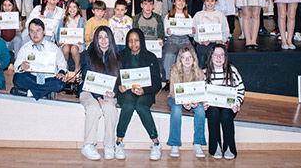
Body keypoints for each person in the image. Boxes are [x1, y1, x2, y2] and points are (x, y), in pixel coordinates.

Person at [115, 28, 162, 161]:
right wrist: (119, 86)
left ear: (141, 41)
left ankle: (156, 142)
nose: (133, 44)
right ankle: (118, 142)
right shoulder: (121, 55)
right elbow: (115, 76)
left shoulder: (150, 56)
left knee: (141, 107)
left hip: (145, 92)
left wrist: (145, 90)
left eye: (136, 40)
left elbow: (157, 82)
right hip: (126, 92)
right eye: (130, 41)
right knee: (129, 105)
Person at [79, 26, 122, 161]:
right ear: (96, 39)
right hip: (89, 91)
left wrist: (114, 93)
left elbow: (119, 79)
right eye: (100, 37)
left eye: (106, 37)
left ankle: (109, 145)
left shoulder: (117, 56)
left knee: (110, 109)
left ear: (111, 39)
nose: (103, 40)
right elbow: (87, 77)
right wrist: (98, 98)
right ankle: (88, 145)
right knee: (93, 109)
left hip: (107, 93)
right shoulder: (88, 55)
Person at [204, 44, 245, 160]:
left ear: (225, 57)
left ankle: (229, 148)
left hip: (228, 106)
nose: (218, 58)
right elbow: (201, 92)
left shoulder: (232, 70)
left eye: (221, 55)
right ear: (210, 57)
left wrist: (237, 103)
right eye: (215, 55)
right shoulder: (204, 72)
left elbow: (241, 89)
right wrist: (204, 103)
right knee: (213, 113)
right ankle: (215, 147)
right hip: (212, 106)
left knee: (227, 115)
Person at [12, 18, 68, 100]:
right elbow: (16, 66)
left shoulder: (53, 47)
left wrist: (61, 73)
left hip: (48, 78)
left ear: (44, 31)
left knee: (60, 83)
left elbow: (62, 64)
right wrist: (21, 67)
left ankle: (29, 92)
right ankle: (46, 92)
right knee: (17, 78)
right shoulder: (25, 48)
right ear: (29, 33)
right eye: (32, 31)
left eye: (38, 30)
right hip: (32, 78)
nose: (35, 34)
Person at [167, 46, 206, 158]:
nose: (187, 60)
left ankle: (198, 143)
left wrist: (196, 102)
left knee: (200, 110)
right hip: (175, 98)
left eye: (190, 57)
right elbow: (173, 91)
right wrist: (183, 102)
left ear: (194, 59)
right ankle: (175, 144)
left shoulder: (199, 72)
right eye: (184, 58)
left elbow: (200, 91)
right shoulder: (174, 70)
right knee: (176, 110)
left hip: (193, 99)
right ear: (180, 59)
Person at [163, 0, 195, 83]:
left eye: (183, 1)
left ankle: (189, 78)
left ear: (186, 4)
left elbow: (191, 35)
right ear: (173, 3)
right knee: (169, 54)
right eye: (179, 0)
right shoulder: (168, 16)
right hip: (172, 40)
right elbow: (166, 33)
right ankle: (168, 79)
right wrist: (168, 32)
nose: (181, 3)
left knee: (191, 54)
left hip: (185, 40)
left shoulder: (188, 17)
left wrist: (193, 31)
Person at [193, 0, 229, 68]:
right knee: (202, 53)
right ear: (204, 2)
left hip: (217, 43)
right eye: (207, 1)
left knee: (219, 53)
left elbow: (225, 30)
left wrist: (221, 40)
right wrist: (201, 41)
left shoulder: (220, 15)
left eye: (212, 1)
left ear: (216, 2)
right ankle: (202, 76)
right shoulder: (198, 15)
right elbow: (194, 32)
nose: (210, 3)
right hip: (203, 43)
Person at [133, 0, 165, 78]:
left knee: (160, 57)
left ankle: (160, 77)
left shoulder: (158, 18)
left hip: (154, 45)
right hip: (141, 44)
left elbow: (161, 33)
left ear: (153, 6)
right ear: (141, 5)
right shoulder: (136, 18)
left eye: (150, 4)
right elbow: (134, 34)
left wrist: (161, 39)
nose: (148, 7)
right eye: (145, 4)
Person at [57, 0, 86, 72]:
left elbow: (85, 33)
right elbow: (58, 33)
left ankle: (77, 68)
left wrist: (83, 41)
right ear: (67, 8)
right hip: (65, 43)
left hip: (78, 43)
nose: (72, 9)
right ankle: (64, 66)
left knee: (74, 49)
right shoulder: (63, 20)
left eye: (74, 7)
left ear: (78, 8)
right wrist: (59, 41)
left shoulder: (82, 21)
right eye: (70, 7)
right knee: (65, 48)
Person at [0, 0, 23, 64]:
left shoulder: (17, 17)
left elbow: (19, 36)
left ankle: (17, 59)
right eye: (5, 5)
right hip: (3, 42)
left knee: (18, 39)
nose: (7, 8)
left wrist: (18, 30)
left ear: (13, 6)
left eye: (9, 5)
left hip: (12, 43)